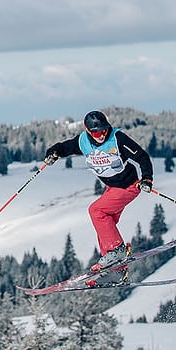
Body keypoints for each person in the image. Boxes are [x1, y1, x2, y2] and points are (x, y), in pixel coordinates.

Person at [44, 110, 153, 270]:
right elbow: (64, 147)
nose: (101, 135)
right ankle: (114, 267)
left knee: (96, 211)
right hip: (113, 187)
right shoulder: (83, 142)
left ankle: (116, 250)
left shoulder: (117, 138)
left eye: (103, 130)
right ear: (88, 131)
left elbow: (142, 157)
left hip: (128, 186)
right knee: (105, 224)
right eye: (96, 133)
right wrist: (53, 153)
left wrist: (147, 178)